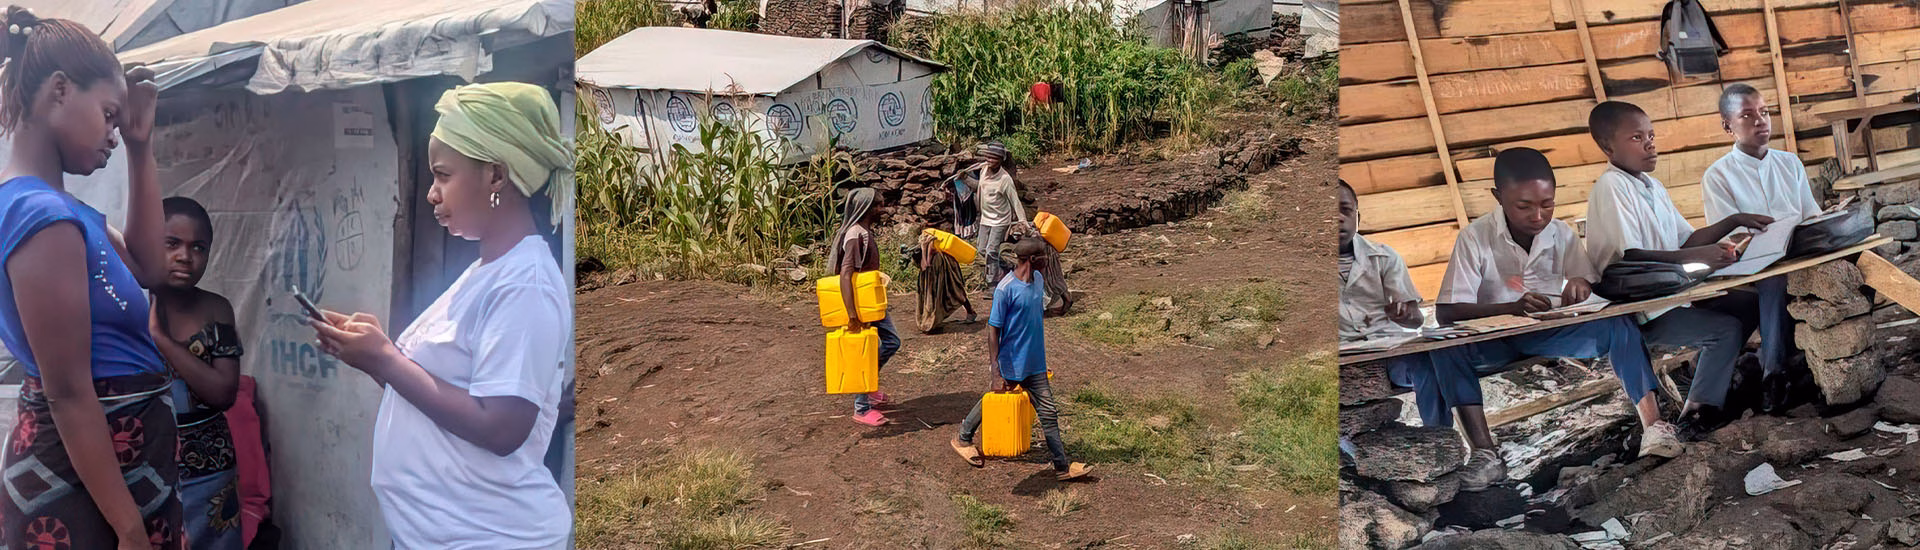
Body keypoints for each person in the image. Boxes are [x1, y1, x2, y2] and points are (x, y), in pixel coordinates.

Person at [307, 82, 572, 548]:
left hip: (488, 537)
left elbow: (502, 426)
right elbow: (440, 395)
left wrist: (387, 359)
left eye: (443, 176)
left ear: (495, 176)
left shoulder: (523, 284)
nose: (432, 194)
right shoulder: (486, 271)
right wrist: (374, 355)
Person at [0, 7, 181, 548]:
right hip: (85, 486)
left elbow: (151, 268)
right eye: (107, 115)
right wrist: (129, 529)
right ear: (59, 91)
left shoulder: (66, 211)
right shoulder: (41, 216)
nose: (112, 134)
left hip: (111, 471)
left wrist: (141, 145)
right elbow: (68, 391)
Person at [1428, 147, 1683, 459]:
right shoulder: (1475, 237)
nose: (1538, 216)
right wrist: (1509, 309)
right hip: (1494, 341)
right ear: (1498, 197)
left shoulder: (1560, 232)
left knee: (1618, 322)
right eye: (1524, 206)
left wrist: (1581, 284)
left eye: (1547, 204)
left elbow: (1590, 284)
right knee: (1443, 349)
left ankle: (1654, 427)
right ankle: (1485, 455)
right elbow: (1446, 312)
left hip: (1548, 333)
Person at [1583, 100, 1774, 422]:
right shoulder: (1611, 187)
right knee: (1725, 331)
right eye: (1636, 138)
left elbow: (1683, 241)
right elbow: (1634, 257)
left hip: (1670, 292)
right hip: (1639, 307)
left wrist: (1733, 222)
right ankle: (1698, 412)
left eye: (1652, 135)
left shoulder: (1651, 186)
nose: (1649, 144)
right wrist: (1701, 256)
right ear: (1607, 146)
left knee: (1749, 303)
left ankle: (1706, 373)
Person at [1337, 181, 1512, 489]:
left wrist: (1407, 315)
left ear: (1357, 218)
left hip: (1388, 353)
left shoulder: (1384, 258)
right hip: (1342, 360)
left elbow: (1415, 319)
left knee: (1427, 360)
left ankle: (1439, 444)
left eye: (1345, 210)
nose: (1337, 218)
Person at [1700, 84, 1815, 411]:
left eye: (1764, 112)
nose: (1761, 121)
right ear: (1728, 126)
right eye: (1747, 115)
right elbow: (1731, 238)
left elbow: (1810, 215)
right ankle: (1774, 374)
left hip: (1795, 252)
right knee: (1773, 277)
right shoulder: (1718, 175)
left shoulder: (1789, 163)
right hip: (1750, 264)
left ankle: (1785, 362)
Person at [949, 236, 1092, 481]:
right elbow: (993, 329)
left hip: (1034, 363)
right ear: (1032, 259)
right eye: (1045, 256)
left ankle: (1061, 468)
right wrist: (996, 370)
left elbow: (1034, 313)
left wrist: (1060, 308)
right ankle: (962, 437)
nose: (1048, 259)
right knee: (995, 399)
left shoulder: (1037, 279)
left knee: (1048, 413)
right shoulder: (1006, 289)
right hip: (1011, 363)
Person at [147, 197, 243, 550]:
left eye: (198, 247)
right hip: (145, 466)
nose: (185, 256)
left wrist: (162, 340)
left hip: (211, 470)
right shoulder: (128, 303)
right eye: (171, 243)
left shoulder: (216, 309)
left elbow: (224, 393)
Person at [829, 187, 901, 426]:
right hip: (859, 306)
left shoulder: (864, 231)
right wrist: (852, 314)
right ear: (866, 209)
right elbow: (845, 274)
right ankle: (861, 408)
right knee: (864, 352)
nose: (883, 209)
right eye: (879, 205)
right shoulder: (855, 235)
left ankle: (869, 386)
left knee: (890, 342)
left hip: (870, 301)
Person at [967, 142, 1029, 286]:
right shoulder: (983, 170)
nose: (989, 160)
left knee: (991, 251)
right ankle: (1007, 267)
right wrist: (965, 179)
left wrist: (1023, 221)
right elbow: (980, 186)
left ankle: (993, 283)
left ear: (1001, 160)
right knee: (982, 250)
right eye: (988, 157)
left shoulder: (1005, 179)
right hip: (985, 219)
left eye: (993, 158)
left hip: (1000, 221)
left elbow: (1015, 201)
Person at [915, 228, 977, 333]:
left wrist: (924, 262)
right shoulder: (925, 237)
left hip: (945, 268)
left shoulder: (930, 240)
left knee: (954, 290)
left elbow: (927, 263)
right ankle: (933, 319)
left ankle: (970, 312)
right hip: (936, 269)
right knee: (934, 293)